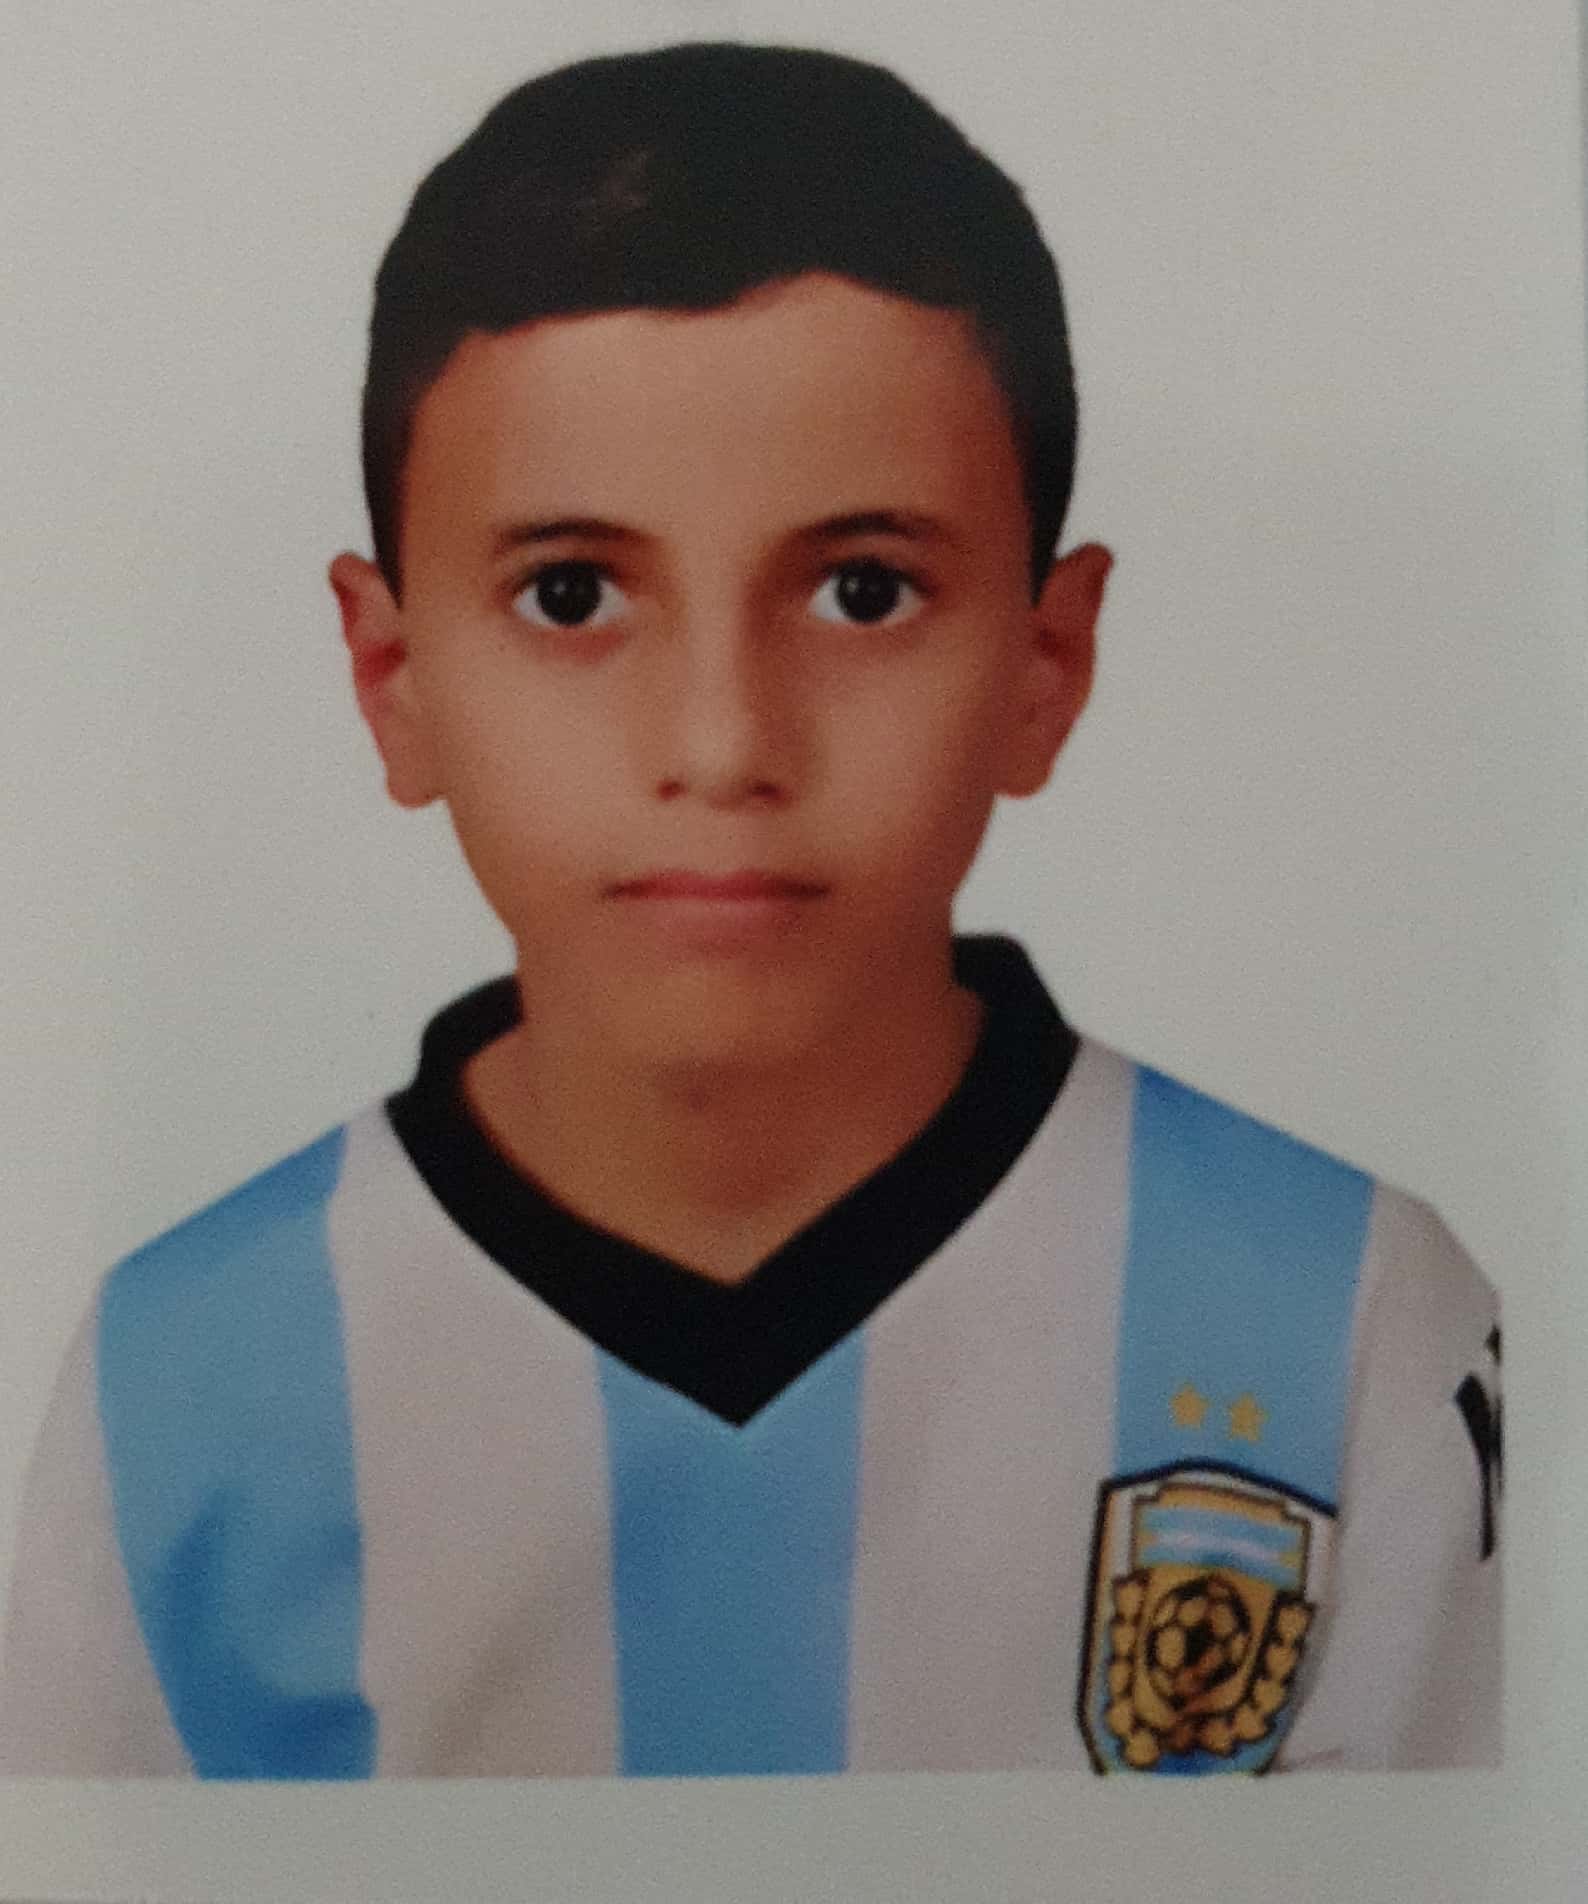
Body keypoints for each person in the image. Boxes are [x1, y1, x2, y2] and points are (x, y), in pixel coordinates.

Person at [0, 41, 1500, 1780]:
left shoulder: (1347, 1319)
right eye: (573, 595)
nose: (722, 745)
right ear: (393, 678)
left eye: (862, 591)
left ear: (1047, 661)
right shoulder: (181, 1385)